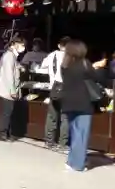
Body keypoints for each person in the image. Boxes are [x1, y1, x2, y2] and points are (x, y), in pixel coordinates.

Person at [61, 39, 102, 173]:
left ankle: (71, 161)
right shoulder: (85, 63)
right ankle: (78, 165)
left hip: (68, 102)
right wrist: (95, 66)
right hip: (83, 103)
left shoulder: (65, 64)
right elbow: (96, 78)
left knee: (75, 133)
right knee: (82, 134)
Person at [41, 36, 70, 152]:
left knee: (52, 116)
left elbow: (43, 65)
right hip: (66, 90)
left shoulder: (52, 55)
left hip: (53, 89)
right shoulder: (71, 57)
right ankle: (62, 144)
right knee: (65, 118)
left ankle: (49, 142)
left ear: (59, 45)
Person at [0, 35, 26, 141]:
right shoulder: (10, 56)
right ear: (14, 44)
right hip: (7, 90)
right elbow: (9, 74)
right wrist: (12, 90)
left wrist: (20, 67)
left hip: (8, 89)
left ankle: (6, 133)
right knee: (7, 112)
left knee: (8, 111)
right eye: (21, 45)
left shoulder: (12, 56)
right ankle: (2, 134)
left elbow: (13, 67)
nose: (23, 47)